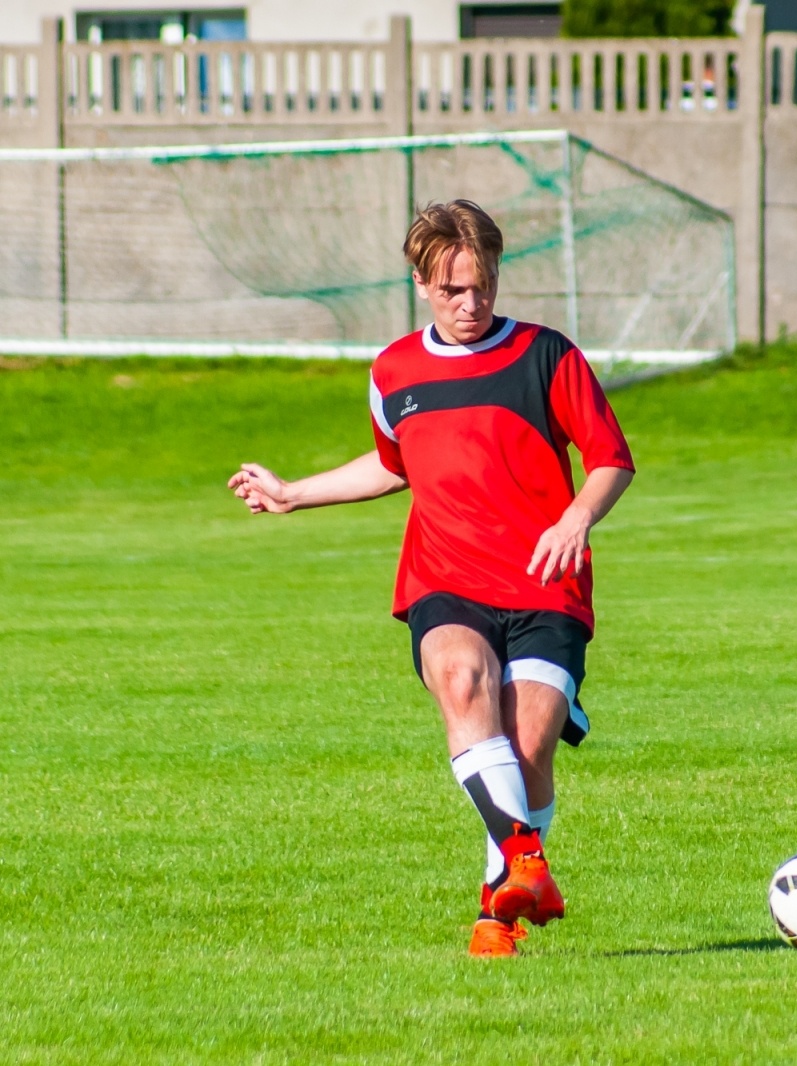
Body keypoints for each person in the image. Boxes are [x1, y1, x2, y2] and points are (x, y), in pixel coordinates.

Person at [229, 200, 635, 957]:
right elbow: (392, 465)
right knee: (460, 679)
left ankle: (500, 900)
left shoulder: (548, 355)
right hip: (446, 577)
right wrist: (294, 493)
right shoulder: (394, 370)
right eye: (453, 290)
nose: (472, 304)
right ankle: (522, 869)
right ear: (421, 283)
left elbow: (611, 459)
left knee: (530, 745)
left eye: (483, 286)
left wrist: (575, 518)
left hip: (547, 584)